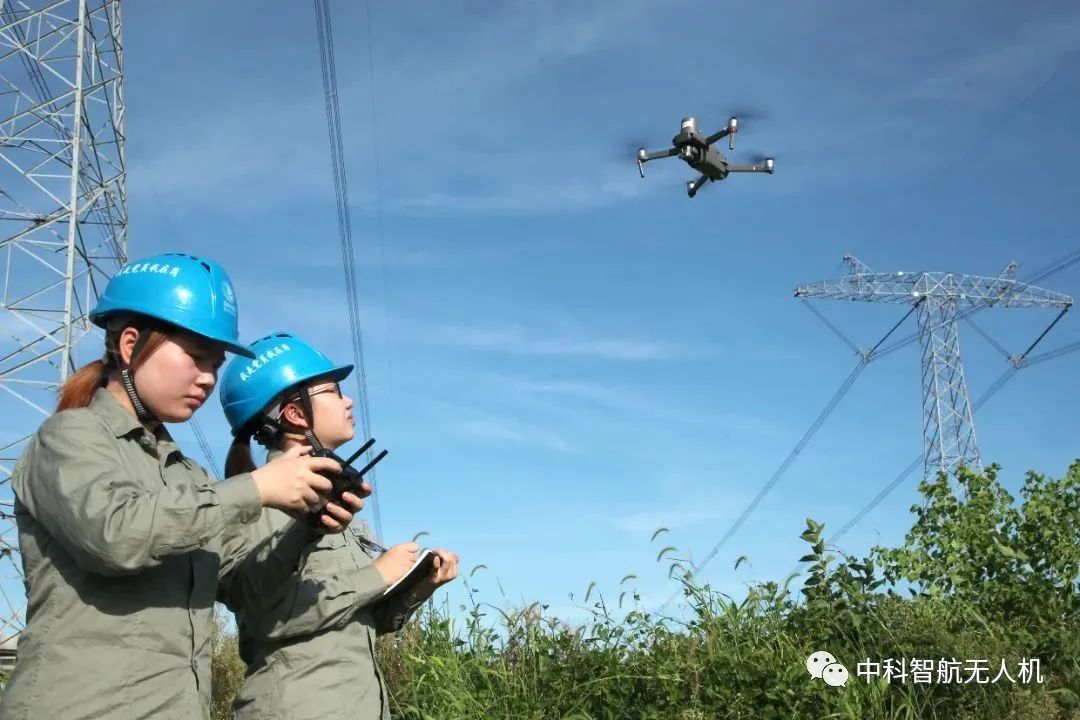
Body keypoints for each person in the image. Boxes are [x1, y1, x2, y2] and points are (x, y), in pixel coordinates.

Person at [0, 253, 362, 720]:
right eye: (195, 357)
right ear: (131, 344)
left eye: (215, 364)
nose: (207, 378)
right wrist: (254, 488)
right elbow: (115, 537)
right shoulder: (69, 437)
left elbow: (245, 592)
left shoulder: (188, 477)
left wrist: (305, 531)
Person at [219, 331, 459, 720]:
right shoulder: (262, 502)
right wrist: (377, 575)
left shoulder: (328, 501)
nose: (348, 400)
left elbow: (359, 619)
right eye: (333, 391)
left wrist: (419, 586)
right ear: (295, 414)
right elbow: (265, 618)